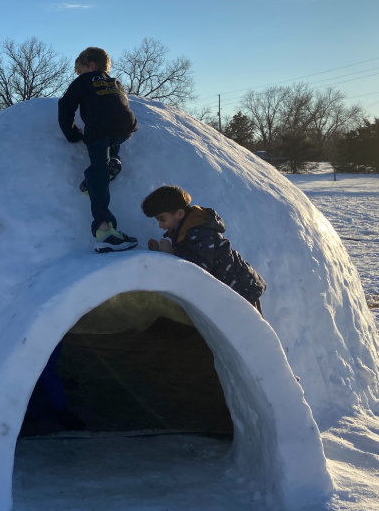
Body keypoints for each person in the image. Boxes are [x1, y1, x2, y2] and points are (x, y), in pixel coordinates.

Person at [58, 46, 139, 253]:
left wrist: (73, 134)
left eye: (80, 70)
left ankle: (105, 231)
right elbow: (116, 107)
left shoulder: (84, 81)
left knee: (97, 169)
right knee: (111, 143)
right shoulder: (116, 83)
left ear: (91, 65)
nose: (79, 75)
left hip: (99, 130)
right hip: (125, 128)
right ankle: (114, 160)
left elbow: (65, 106)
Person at [141, 185, 267, 313]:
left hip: (242, 291)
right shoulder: (185, 230)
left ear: (180, 213)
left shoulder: (201, 232)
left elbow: (199, 267)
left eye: (162, 219)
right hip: (229, 293)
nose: (160, 225)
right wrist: (161, 252)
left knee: (244, 331)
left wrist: (172, 253)